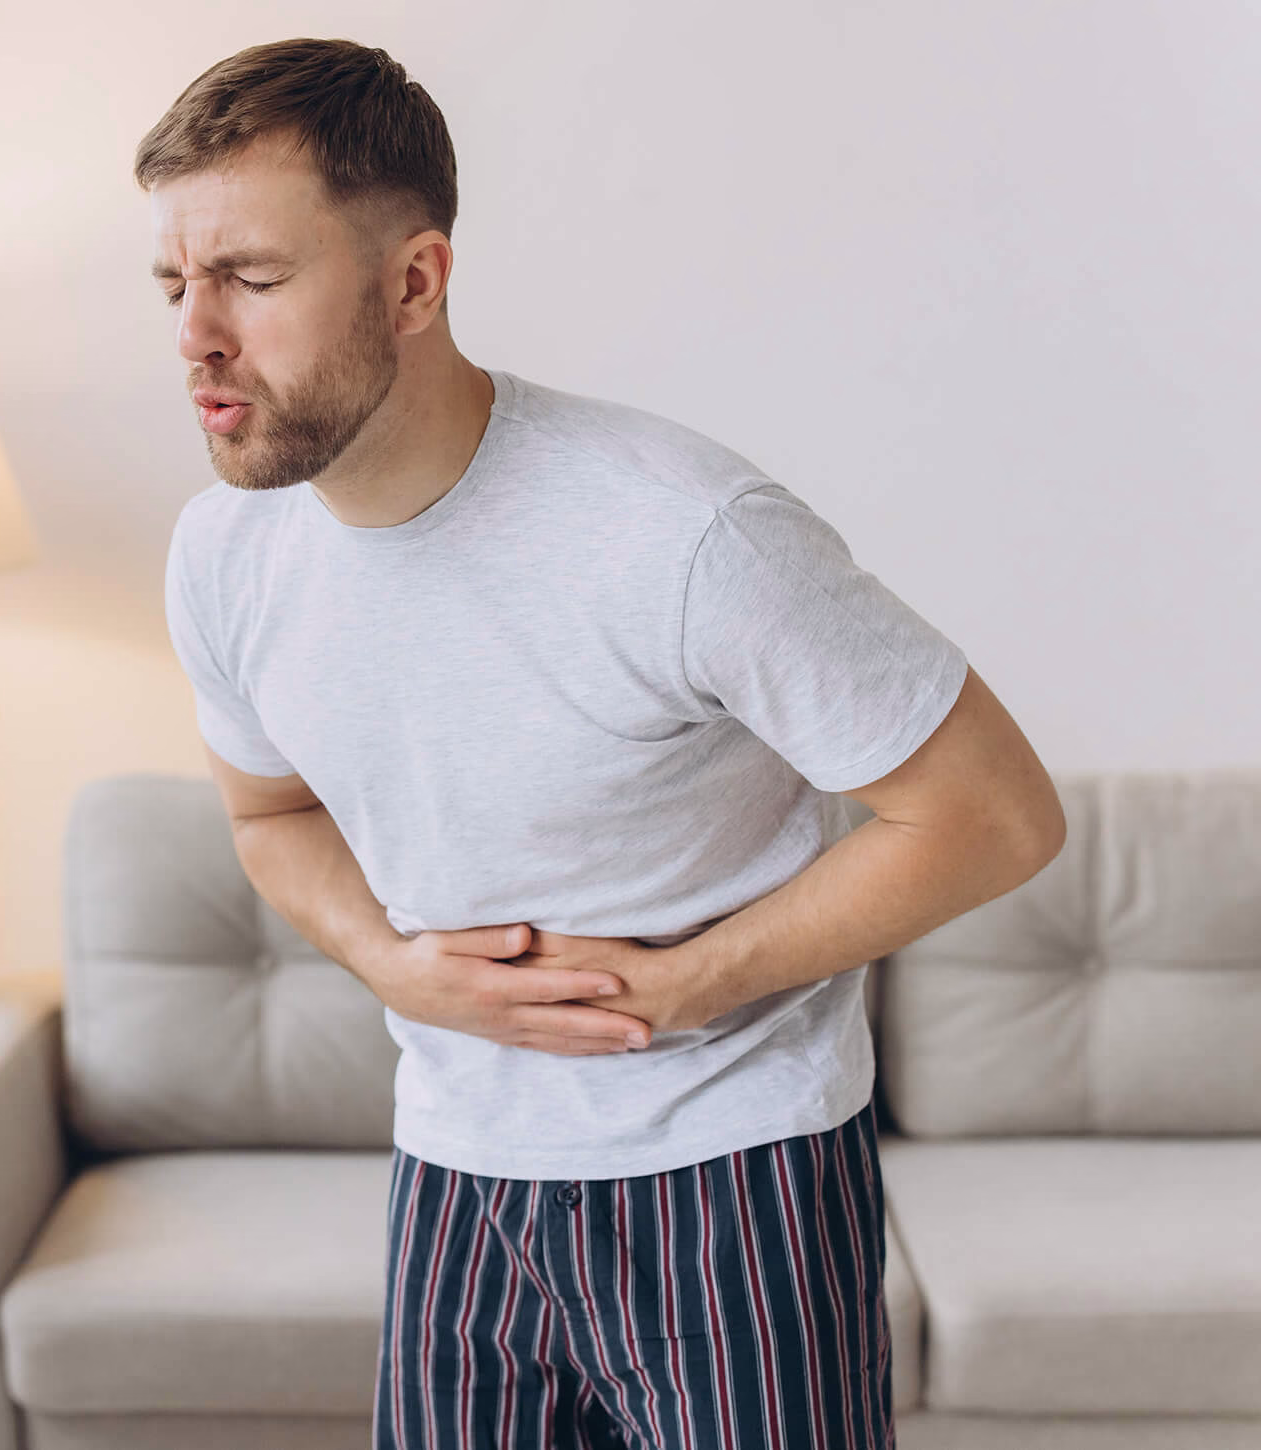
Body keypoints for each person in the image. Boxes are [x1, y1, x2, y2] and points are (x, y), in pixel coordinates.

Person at [138, 37, 1065, 1450]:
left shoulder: (682, 535)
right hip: (456, 1175)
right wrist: (390, 962)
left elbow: (996, 814)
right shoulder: (224, 557)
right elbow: (273, 819)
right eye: (174, 284)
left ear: (415, 282)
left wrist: (690, 984)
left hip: (736, 1172)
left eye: (252, 279)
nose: (196, 335)